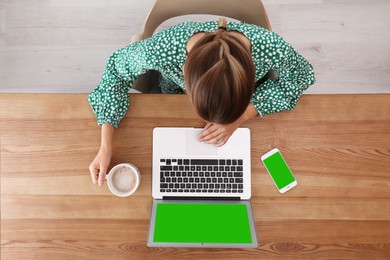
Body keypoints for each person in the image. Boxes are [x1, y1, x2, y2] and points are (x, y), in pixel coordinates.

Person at [88, 18, 315, 186]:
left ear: (251, 70)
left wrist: (242, 116)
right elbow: (115, 72)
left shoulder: (270, 47)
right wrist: (106, 146)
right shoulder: (162, 48)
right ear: (184, 70)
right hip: (173, 93)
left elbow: (302, 76)